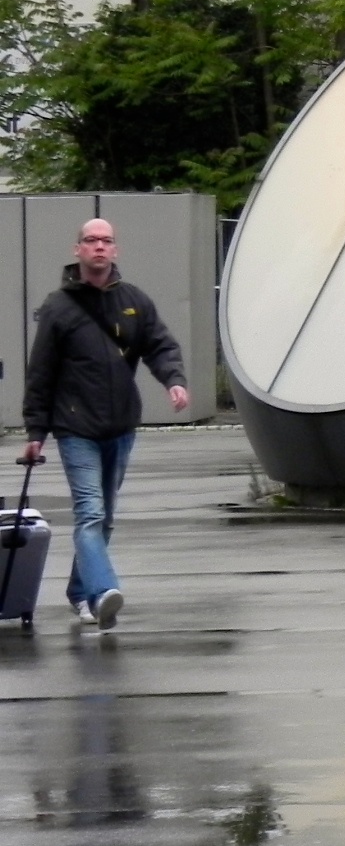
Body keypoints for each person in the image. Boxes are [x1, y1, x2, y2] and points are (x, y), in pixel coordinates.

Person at [19, 218, 189, 631]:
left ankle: (81, 593)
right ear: (77, 250)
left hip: (120, 426)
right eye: (91, 241)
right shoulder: (59, 307)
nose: (99, 247)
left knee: (105, 518)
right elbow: (40, 373)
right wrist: (35, 434)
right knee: (91, 514)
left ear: (116, 251)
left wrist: (175, 381)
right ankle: (104, 591)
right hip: (76, 429)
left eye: (106, 241)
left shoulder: (134, 301)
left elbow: (160, 345)